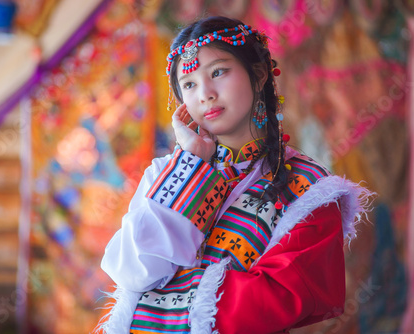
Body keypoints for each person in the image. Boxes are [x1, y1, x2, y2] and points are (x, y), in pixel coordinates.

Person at [96, 16, 373, 334]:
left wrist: (161, 299)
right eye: (189, 84)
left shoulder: (309, 189)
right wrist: (190, 169)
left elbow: (275, 299)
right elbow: (133, 272)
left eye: (218, 72)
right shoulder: (166, 173)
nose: (205, 93)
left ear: (258, 73)